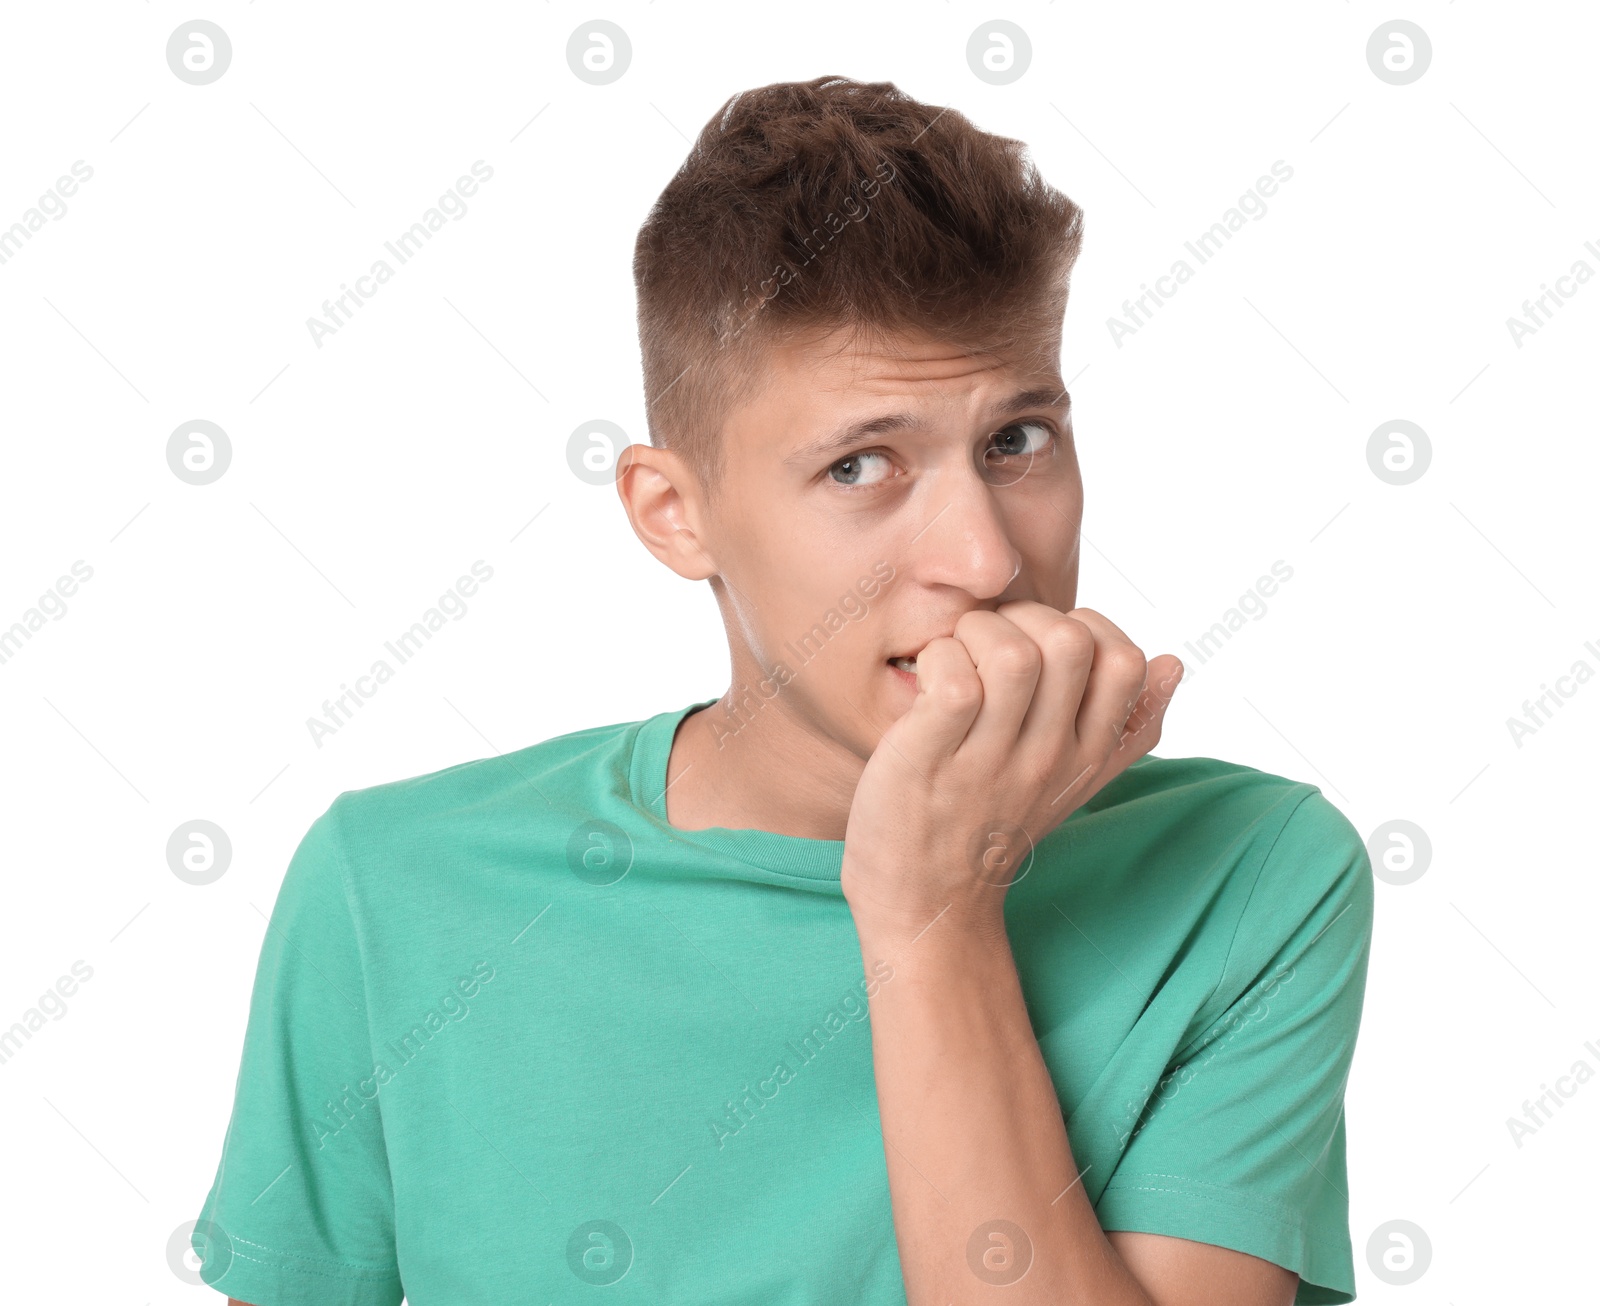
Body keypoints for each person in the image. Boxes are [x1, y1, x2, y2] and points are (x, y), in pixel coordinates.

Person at [195, 75, 1373, 1306]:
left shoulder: (1249, 877)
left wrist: (932, 909)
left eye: (1014, 441)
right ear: (674, 512)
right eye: (862, 464)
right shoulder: (393, 890)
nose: (984, 560)